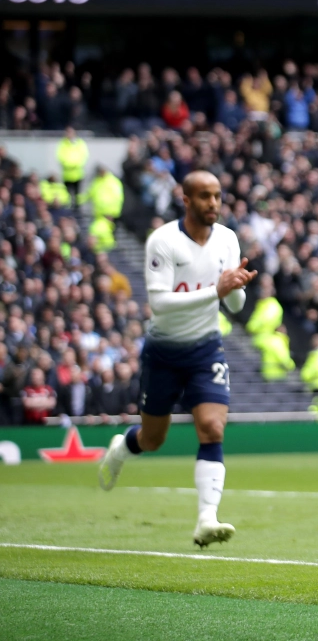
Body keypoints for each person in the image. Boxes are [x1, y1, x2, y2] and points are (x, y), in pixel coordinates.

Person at [96, 170, 257, 547]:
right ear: (186, 200)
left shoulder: (228, 240)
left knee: (213, 428)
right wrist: (216, 288)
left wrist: (234, 289)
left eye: (217, 195)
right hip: (164, 352)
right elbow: (160, 304)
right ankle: (122, 447)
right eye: (204, 196)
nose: (213, 203)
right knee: (153, 439)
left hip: (205, 348)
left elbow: (235, 304)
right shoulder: (164, 241)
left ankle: (206, 518)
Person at [56, 126, 89, 206]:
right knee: (67, 195)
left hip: (78, 174)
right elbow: (60, 157)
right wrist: (69, 165)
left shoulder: (80, 143)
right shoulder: (62, 144)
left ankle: (77, 209)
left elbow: (84, 156)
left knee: (78, 195)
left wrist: (75, 165)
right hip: (67, 175)